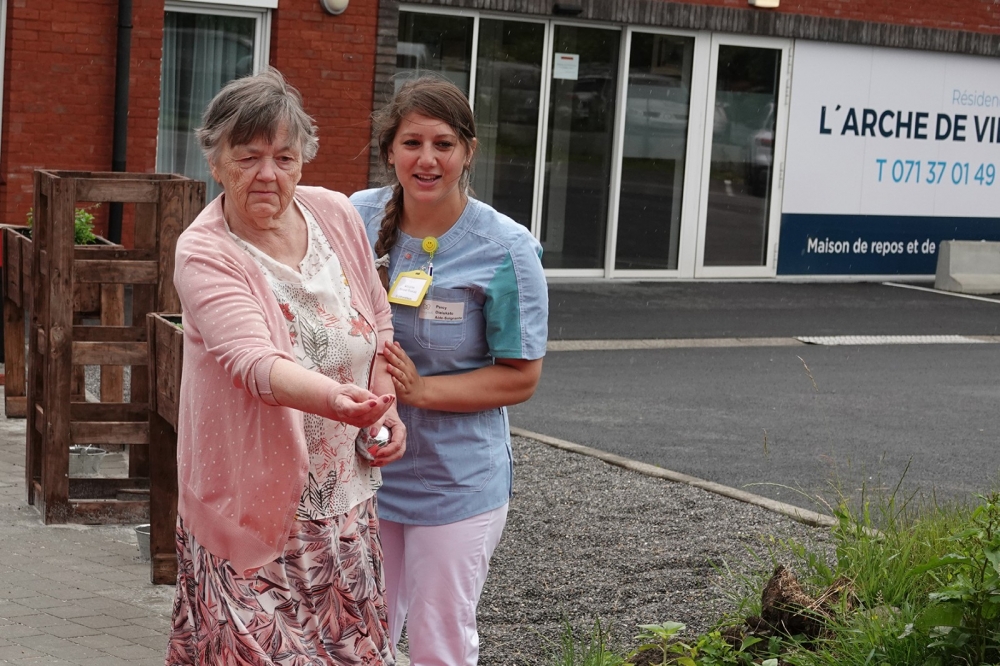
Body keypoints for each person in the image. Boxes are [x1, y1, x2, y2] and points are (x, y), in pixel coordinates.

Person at [165, 67, 405, 666]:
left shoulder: (335, 214)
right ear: (216, 162)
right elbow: (253, 362)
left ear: (303, 160)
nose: (268, 174)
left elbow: (376, 327)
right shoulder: (205, 250)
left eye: (284, 157)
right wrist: (337, 400)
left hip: (342, 507)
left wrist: (383, 411)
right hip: (252, 507)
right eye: (248, 157)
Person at [350, 76, 548, 665]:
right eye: (412, 142)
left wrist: (423, 391)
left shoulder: (506, 248)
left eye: (443, 144)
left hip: (455, 481)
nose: (427, 159)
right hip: (363, 472)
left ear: (468, 152)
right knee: (358, 637)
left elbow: (521, 377)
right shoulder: (353, 218)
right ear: (390, 150)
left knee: (439, 645)